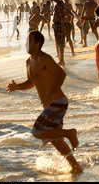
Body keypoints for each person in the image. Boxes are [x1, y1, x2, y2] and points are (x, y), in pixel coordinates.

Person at [6, 31, 83, 174]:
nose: (26, 44)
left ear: (37, 43)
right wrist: (17, 87)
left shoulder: (44, 58)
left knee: (37, 131)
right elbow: (31, 82)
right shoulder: (29, 61)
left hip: (58, 102)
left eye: (29, 41)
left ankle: (70, 133)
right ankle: (75, 166)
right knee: (55, 139)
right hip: (50, 103)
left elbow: (61, 74)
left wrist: (51, 94)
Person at [48, 0, 68, 65]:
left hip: (59, 25)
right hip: (57, 24)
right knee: (58, 42)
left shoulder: (59, 4)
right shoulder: (58, 4)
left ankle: (62, 60)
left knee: (60, 42)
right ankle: (61, 59)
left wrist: (63, 25)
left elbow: (62, 15)